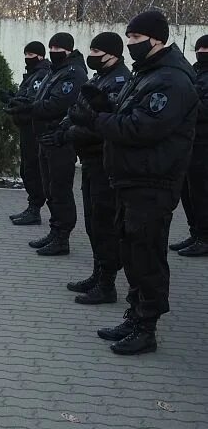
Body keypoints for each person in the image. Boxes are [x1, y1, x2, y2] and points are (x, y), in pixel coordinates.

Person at [69, 10, 197, 355]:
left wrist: (97, 119)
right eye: (128, 39)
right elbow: (127, 114)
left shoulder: (171, 80)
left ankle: (147, 327)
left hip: (153, 181)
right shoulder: (148, 74)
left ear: (157, 39)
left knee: (147, 255)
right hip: (133, 179)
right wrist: (104, 105)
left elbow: (141, 128)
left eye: (136, 40)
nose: (130, 45)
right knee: (132, 249)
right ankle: (134, 315)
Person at [40, 32, 130, 304]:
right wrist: (62, 129)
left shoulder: (119, 81)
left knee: (104, 224)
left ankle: (107, 284)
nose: (91, 55)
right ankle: (98, 273)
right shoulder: (99, 77)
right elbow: (78, 110)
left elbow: (101, 126)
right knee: (93, 223)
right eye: (90, 49)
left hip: (105, 162)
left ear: (112, 53)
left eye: (97, 51)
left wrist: (68, 134)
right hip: (91, 160)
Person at [6, 33, 87, 255]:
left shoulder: (74, 73)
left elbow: (58, 104)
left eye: (57, 47)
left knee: (60, 189)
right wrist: (21, 103)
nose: (53, 51)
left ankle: (62, 237)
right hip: (45, 137)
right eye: (51, 46)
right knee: (51, 188)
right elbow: (40, 99)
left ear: (68, 50)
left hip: (60, 138)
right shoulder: (56, 71)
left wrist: (30, 109)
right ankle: (55, 231)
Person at [169, 34, 208, 257]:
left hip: (204, 143)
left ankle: (204, 237)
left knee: (202, 192)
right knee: (188, 192)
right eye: (199, 47)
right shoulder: (195, 72)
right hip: (190, 142)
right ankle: (196, 232)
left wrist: (185, 101)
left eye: (206, 48)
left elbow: (202, 109)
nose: (202, 51)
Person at [6, 42, 51, 226]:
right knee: (27, 170)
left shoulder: (41, 74)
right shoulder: (33, 74)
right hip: (26, 127)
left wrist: (18, 103)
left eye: (31, 54)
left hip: (34, 129)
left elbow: (33, 101)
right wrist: (11, 99)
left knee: (32, 170)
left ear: (40, 56)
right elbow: (25, 98)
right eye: (25, 53)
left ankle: (35, 209)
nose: (27, 57)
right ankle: (32, 207)